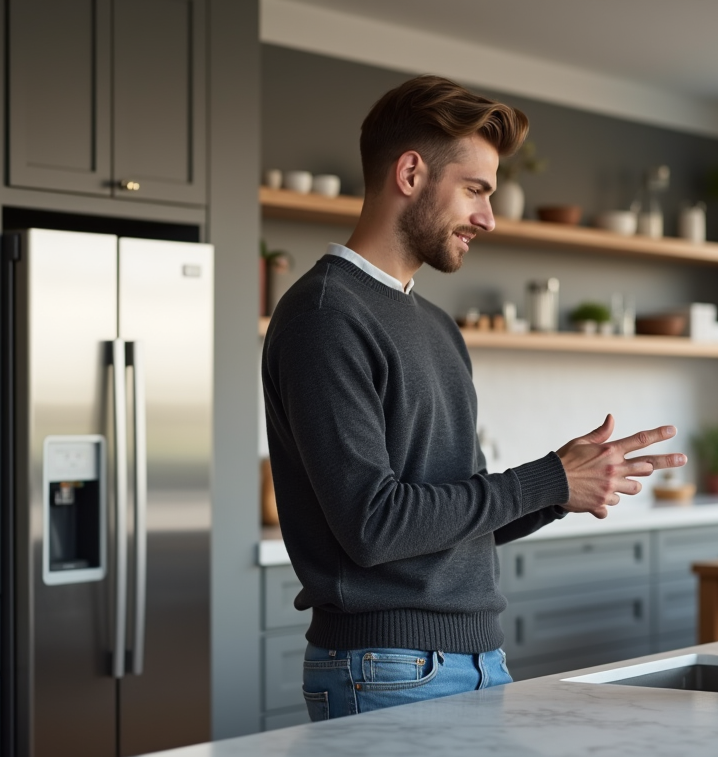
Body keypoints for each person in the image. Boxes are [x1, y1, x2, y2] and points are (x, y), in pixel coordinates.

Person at [262, 75, 685, 721]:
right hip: (387, 667)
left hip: (478, 661)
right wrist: (545, 478)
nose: (487, 217)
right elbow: (374, 525)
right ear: (410, 173)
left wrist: (565, 486)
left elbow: (450, 518)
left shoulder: (433, 324)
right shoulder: (327, 315)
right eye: (475, 191)